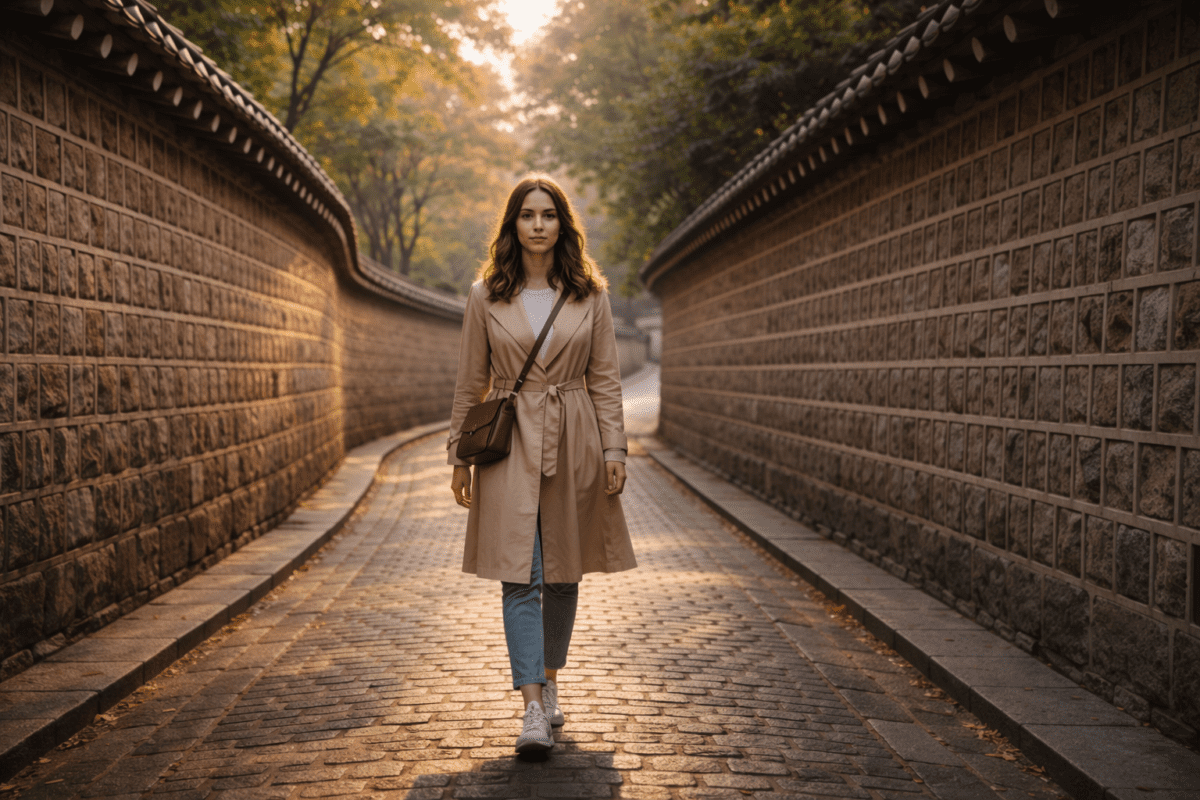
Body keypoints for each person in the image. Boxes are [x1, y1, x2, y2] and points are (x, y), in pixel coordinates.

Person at [447, 175, 637, 754]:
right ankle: (532, 706)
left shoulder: (590, 295)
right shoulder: (486, 294)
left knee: (563, 573)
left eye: (547, 214)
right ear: (512, 224)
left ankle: (551, 682)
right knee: (520, 573)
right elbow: (469, 380)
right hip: (509, 443)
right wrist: (460, 456)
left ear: (562, 224)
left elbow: (604, 379)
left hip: (574, 435)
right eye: (526, 214)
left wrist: (614, 448)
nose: (537, 224)